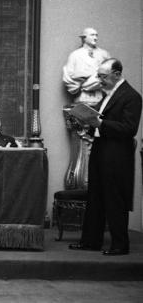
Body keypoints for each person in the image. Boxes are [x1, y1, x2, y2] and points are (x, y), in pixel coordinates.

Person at [69, 58, 142, 256]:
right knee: (95, 197)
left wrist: (100, 124)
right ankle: (91, 241)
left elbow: (129, 129)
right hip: (101, 150)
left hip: (118, 155)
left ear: (117, 74)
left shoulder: (132, 96)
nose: (99, 80)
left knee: (115, 199)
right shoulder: (107, 95)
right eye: (99, 76)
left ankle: (120, 245)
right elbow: (101, 122)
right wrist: (86, 123)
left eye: (103, 76)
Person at [62, 27, 110, 106]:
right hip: (82, 97)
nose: (95, 38)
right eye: (92, 35)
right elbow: (69, 73)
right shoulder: (75, 55)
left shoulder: (104, 54)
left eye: (96, 35)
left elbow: (110, 72)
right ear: (84, 38)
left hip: (100, 96)